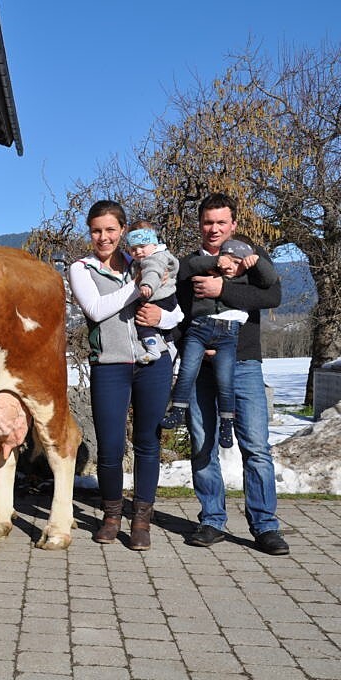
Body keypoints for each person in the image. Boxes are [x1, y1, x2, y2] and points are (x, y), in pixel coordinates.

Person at [176, 193, 289, 555]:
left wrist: (223, 288)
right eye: (208, 222)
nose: (214, 229)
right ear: (199, 224)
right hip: (200, 366)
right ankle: (212, 520)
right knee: (202, 443)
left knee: (255, 446)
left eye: (221, 222)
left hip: (244, 363)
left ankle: (265, 526)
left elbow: (272, 297)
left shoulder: (251, 258)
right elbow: (178, 314)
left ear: (234, 225)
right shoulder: (189, 265)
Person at [68, 201, 183, 550]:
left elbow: (176, 311)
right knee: (111, 446)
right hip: (110, 366)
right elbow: (96, 310)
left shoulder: (144, 259)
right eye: (96, 230)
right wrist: (139, 288)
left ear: (122, 231)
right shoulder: (81, 268)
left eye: (110, 230)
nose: (103, 237)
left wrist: (159, 319)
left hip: (154, 363)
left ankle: (141, 521)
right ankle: (111, 516)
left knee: (148, 442)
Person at [161, 237, 278, 449]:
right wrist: (217, 261)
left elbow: (271, 287)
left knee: (226, 383)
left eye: (237, 262)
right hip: (198, 330)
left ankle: (227, 422)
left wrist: (256, 261)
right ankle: (177, 410)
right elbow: (192, 266)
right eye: (228, 259)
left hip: (228, 337)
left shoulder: (245, 277)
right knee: (186, 371)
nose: (231, 265)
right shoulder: (204, 267)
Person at [125, 220, 179, 364]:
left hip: (159, 297)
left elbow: (152, 271)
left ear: (154, 244)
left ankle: (152, 349)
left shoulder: (154, 258)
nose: (138, 252)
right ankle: (170, 345)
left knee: (142, 322)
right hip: (167, 298)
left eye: (142, 246)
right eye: (133, 249)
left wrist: (147, 285)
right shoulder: (157, 256)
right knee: (162, 328)